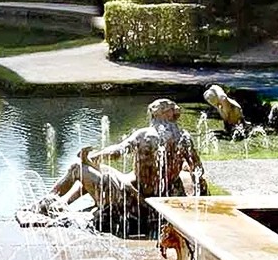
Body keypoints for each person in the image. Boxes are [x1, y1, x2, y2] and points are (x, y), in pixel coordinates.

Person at [39, 99, 205, 234]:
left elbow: (118, 151)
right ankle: (64, 204)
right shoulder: (185, 138)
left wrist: (97, 155)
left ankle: (46, 203)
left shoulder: (145, 134)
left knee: (78, 167)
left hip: (131, 200)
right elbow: (198, 170)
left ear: (156, 114)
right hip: (158, 204)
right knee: (103, 171)